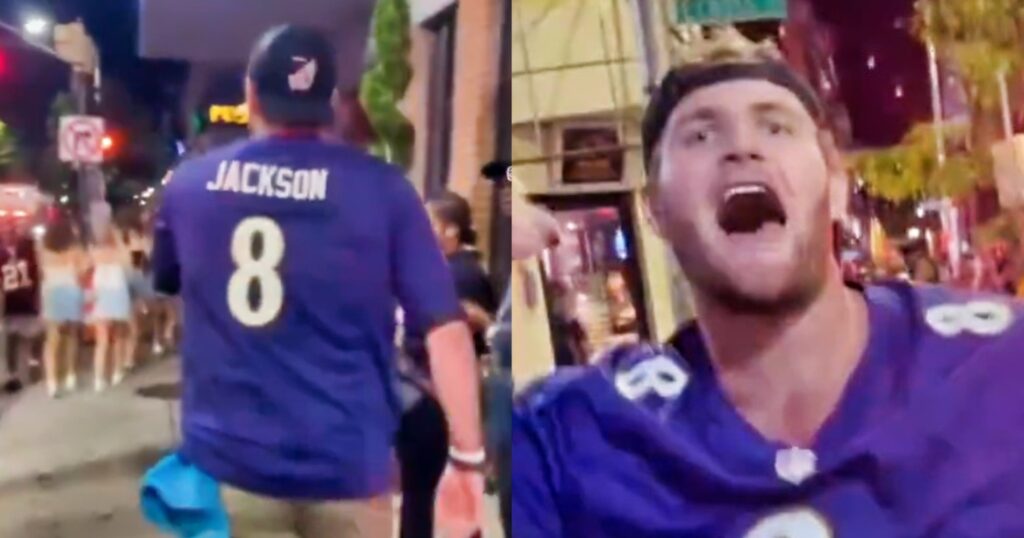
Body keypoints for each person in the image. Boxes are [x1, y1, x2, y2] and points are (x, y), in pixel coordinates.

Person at [512, 34, 1024, 536]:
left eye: (775, 128)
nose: (742, 148)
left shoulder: (1000, 369)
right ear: (655, 211)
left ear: (837, 184)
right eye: (700, 135)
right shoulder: (571, 439)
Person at [149, 25, 485, 537]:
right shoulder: (384, 190)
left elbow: (167, 277)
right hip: (347, 467)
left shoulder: (190, 186)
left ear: (251, 95)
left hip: (229, 464)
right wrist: (468, 459)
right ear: (330, 101)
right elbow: (447, 331)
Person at [396, 190, 496, 538]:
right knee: (426, 491)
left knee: (428, 491)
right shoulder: (444, 269)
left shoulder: (459, 275)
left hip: (439, 393)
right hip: (429, 390)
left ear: (450, 230)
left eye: (430, 223)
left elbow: (458, 334)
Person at [39, 215, 87, 397]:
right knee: (72, 336)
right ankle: (70, 375)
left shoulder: (43, 249)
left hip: (51, 292)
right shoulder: (75, 249)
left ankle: (52, 382)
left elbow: (41, 273)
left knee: (52, 339)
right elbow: (82, 272)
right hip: (71, 290)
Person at [88, 223, 133, 391]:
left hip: (101, 296)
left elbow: (87, 267)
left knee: (102, 341)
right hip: (119, 295)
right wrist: (121, 242)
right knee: (120, 337)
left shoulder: (95, 253)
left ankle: (98, 378)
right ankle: (117, 371)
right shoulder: (121, 253)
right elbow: (131, 265)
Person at [0, 222, 41, 394]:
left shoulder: (21, 254)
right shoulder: (24, 257)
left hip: (20, 301)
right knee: (19, 339)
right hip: (19, 302)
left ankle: (22, 369)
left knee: (21, 339)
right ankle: (21, 369)